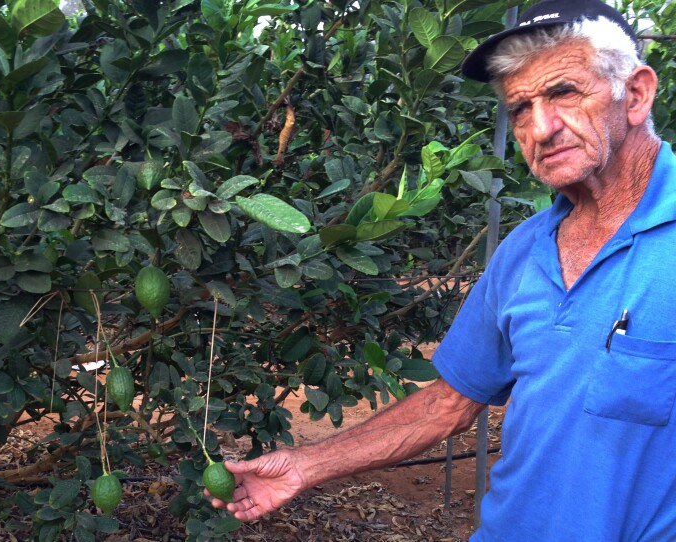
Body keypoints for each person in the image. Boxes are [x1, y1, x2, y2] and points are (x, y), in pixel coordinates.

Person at [209, 0, 676, 539]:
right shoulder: (523, 252)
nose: (541, 127)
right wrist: (304, 466)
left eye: (563, 92)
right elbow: (448, 403)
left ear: (636, 94)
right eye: (519, 108)